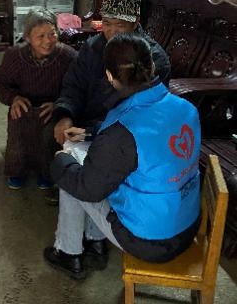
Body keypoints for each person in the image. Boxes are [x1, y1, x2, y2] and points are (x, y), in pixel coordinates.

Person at [44, 33, 201, 279]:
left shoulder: (122, 132)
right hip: (186, 224)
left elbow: (87, 188)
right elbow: (147, 139)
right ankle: (95, 240)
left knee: (72, 165)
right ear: (151, 66)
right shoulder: (186, 108)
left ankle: (68, 251)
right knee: (87, 156)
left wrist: (60, 160)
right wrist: (89, 133)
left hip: (150, 241)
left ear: (109, 76)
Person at [52, 0, 171, 146]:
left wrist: (91, 132)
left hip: (123, 134)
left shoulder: (151, 59)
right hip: (83, 122)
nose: (112, 31)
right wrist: (65, 114)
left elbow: (140, 115)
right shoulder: (92, 47)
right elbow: (74, 84)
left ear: (135, 23)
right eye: (107, 23)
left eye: (120, 25)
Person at [0, 10, 77, 190]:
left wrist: (60, 105)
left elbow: (77, 87)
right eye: (40, 36)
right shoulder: (15, 56)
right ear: (28, 38)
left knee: (48, 136)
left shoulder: (68, 57)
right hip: (24, 106)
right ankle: (17, 171)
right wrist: (13, 98)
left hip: (54, 107)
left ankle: (46, 173)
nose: (48, 41)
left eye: (52, 34)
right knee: (18, 132)